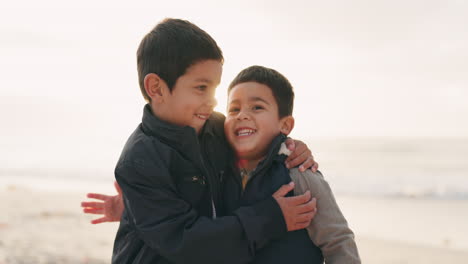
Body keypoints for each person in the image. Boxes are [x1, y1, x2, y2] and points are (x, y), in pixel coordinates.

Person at [101, 18, 318, 264]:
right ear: (157, 88)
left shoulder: (215, 127)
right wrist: (271, 217)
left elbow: (255, 141)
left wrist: (287, 146)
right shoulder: (138, 161)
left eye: (214, 88)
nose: (213, 100)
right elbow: (185, 242)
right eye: (201, 87)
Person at [222, 65, 360, 263]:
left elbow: (338, 242)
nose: (241, 115)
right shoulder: (217, 173)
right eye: (233, 109)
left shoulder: (300, 175)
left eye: (257, 107)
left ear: (285, 125)